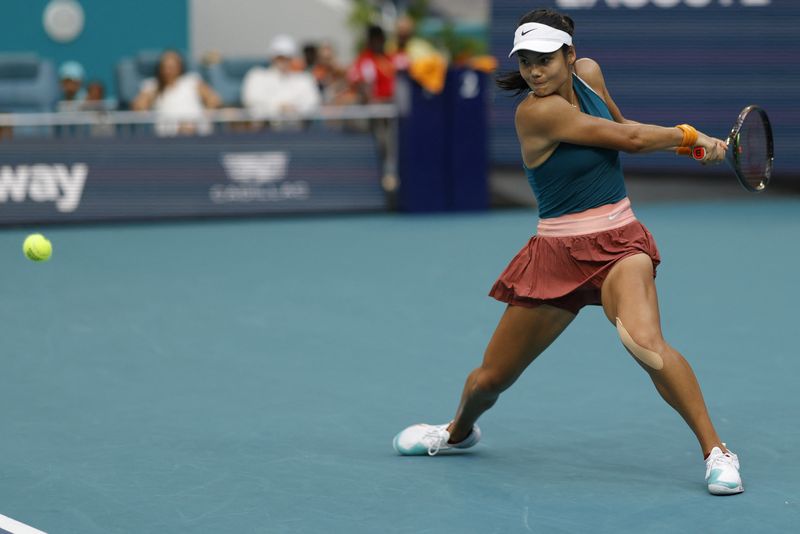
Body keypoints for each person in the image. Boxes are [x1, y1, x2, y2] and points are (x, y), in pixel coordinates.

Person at [392, 8, 743, 496]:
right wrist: (689, 136)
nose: (535, 72)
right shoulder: (536, 112)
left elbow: (621, 125)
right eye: (527, 62)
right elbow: (632, 139)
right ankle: (456, 432)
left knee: (644, 343)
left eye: (545, 60)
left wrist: (689, 149)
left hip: (620, 242)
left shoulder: (591, 76)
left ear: (569, 55)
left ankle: (717, 452)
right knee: (489, 379)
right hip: (555, 254)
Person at [132, 49, 221, 136]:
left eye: (172, 67)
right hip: (168, 136)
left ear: (179, 67)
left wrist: (207, 115)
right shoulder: (152, 85)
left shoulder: (192, 80)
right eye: (165, 67)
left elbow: (213, 99)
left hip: (198, 131)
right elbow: (139, 106)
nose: (168, 70)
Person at [241, 35, 321, 128]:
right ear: (272, 58)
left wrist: (293, 108)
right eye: (280, 57)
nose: (283, 61)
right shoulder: (257, 76)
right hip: (264, 131)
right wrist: (278, 108)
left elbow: (312, 103)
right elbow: (251, 101)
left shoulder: (304, 79)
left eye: (287, 57)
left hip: (297, 132)